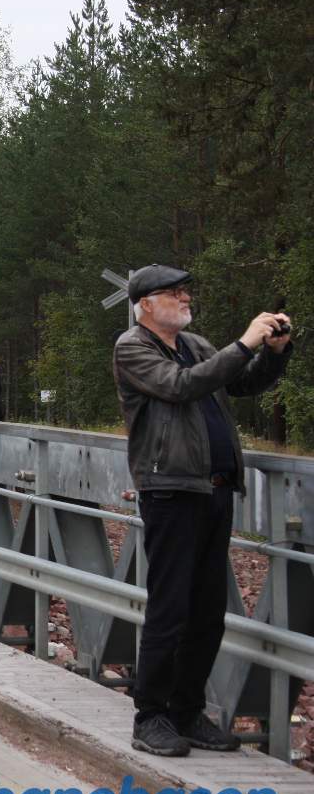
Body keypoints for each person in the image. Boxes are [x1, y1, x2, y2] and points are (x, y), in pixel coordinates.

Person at [114, 264, 293, 757]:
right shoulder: (133, 347)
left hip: (213, 489)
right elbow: (180, 386)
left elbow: (240, 383)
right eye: (173, 292)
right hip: (170, 489)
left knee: (208, 612)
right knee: (170, 608)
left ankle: (187, 711)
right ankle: (149, 715)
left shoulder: (196, 344)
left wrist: (273, 352)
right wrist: (244, 342)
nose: (184, 297)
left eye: (185, 290)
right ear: (146, 304)